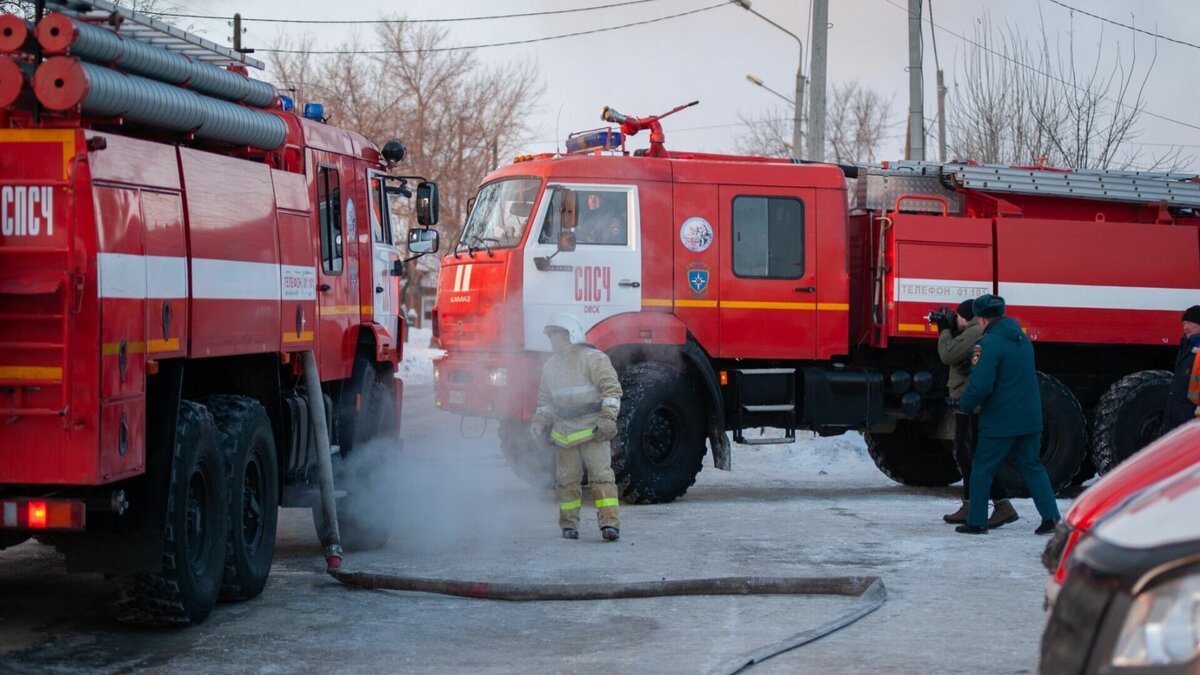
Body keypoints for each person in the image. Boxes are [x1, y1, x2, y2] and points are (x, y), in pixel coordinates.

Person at [954, 294, 1061, 535]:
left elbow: (981, 385)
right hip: (1030, 417)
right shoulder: (1022, 339)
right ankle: (1052, 518)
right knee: (1032, 466)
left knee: (982, 466)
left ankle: (978, 521)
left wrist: (965, 403)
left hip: (1001, 420)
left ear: (981, 319)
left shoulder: (988, 344)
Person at [531, 313, 623, 541]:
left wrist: (609, 418)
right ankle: (569, 525)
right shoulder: (551, 366)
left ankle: (609, 524)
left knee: (601, 478)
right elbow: (546, 402)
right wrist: (539, 422)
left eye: (556, 335)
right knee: (566, 483)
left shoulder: (593, 359)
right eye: (551, 336)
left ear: (570, 334)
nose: (552, 340)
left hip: (593, 430)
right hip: (564, 433)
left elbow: (611, 390)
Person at [937, 299, 1018, 528]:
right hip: (967, 399)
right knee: (966, 453)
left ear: (965, 316)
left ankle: (997, 506)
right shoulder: (973, 331)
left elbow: (948, 355)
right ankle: (973, 505)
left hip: (970, 401)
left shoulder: (974, 332)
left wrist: (943, 330)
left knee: (971, 454)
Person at [1162, 305, 1200, 434]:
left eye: (1190, 323)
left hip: (1191, 421)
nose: (1186, 327)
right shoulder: (1186, 348)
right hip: (1177, 419)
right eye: (1184, 323)